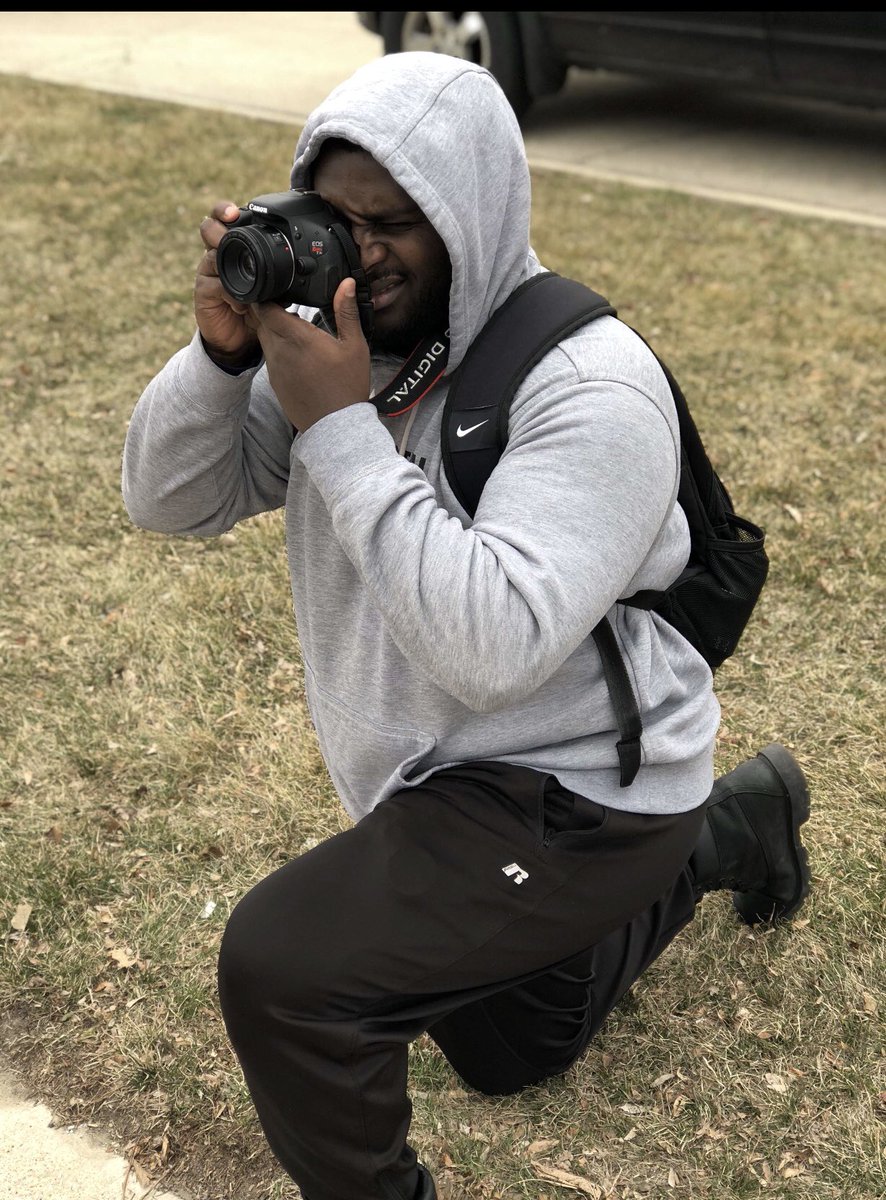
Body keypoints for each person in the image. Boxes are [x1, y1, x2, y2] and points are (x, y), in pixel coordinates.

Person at [122, 51, 811, 1200]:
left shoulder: (589, 387)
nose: (357, 252)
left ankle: (678, 833)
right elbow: (168, 499)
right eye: (333, 217)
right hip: (436, 778)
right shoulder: (339, 343)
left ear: (470, 218)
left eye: (393, 224)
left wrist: (338, 428)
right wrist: (220, 356)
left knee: (290, 972)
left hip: (579, 792)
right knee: (511, 1053)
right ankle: (736, 827)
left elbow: (492, 651)